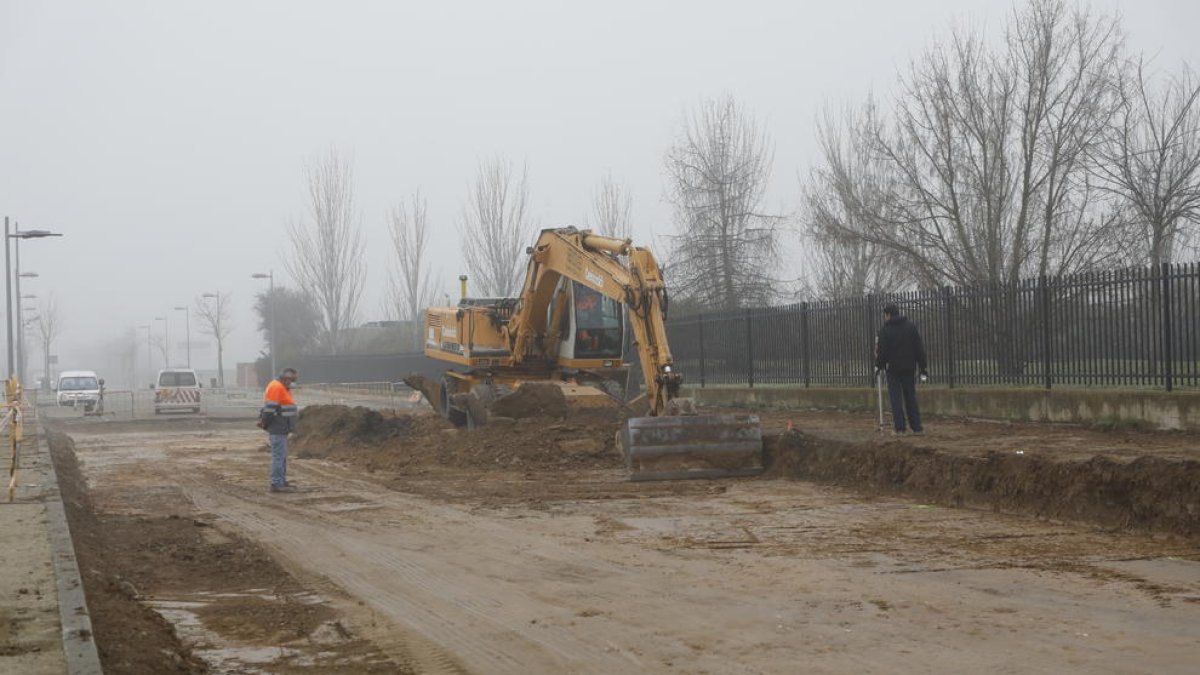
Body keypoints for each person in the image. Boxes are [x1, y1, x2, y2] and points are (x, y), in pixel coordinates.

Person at [875, 304, 928, 435]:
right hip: (909, 367)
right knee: (910, 396)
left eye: (885, 315)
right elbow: (918, 348)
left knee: (896, 399)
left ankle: (900, 428)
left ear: (888, 315)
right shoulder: (911, 327)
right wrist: (923, 366)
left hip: (892, 369)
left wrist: (878, 365)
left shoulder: (884, 330)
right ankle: (917, 427)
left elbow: (882, 352)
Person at [260, 368, 299, 492]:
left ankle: (281, 481)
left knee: (281, 456)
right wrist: (265, 423)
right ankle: (276, 484)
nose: (291, 383)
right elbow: (270, 408)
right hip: (278, 427)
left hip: (282, 427)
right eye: (290, 380)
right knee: (278, 456)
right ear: (285, 377)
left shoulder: (281, 387)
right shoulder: (276, 387)